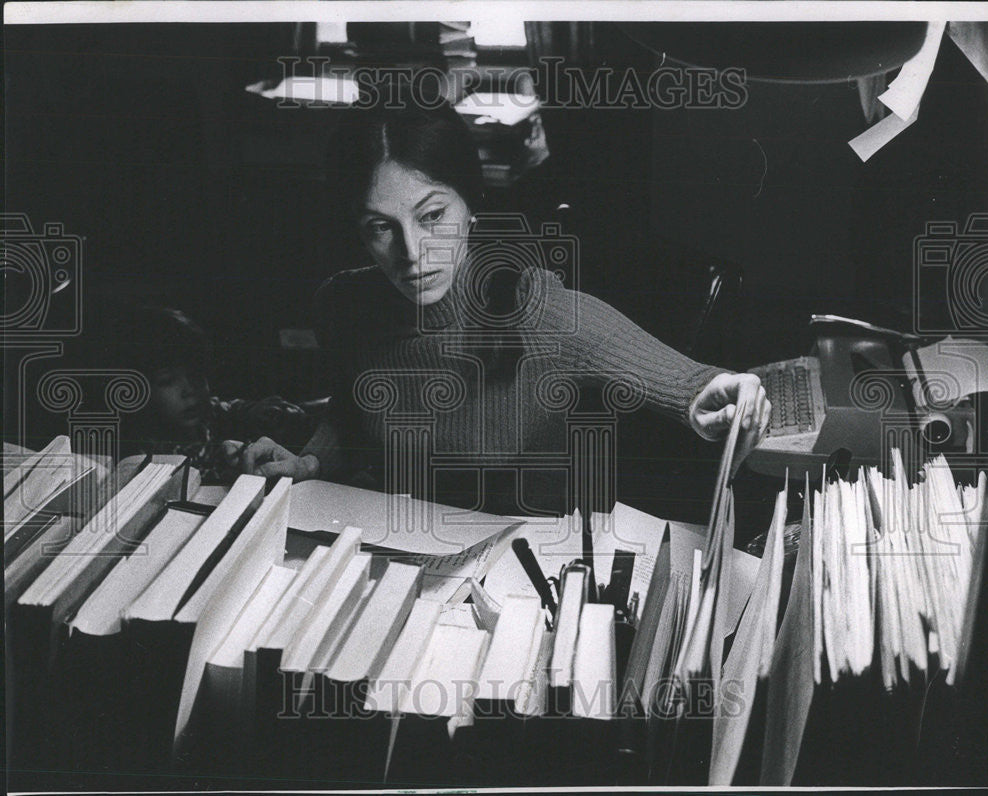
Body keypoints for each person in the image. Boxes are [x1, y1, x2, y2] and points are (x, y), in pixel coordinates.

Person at [240, 94, 771, 515]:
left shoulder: (535, 309)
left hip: (534, 566)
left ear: (472, 204)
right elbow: (355, 410)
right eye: (381, 227)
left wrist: (723, 395)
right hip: (400, 544)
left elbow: (690, 383)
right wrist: (311, 460)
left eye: (431, 217)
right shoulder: (344, 305)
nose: (411, 254)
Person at [95, 304, 318, 483]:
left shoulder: (214, 414)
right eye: (167, 381)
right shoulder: (133, 447)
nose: (189, 390)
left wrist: (269, 413)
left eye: (195, 375)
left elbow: (245, 411)